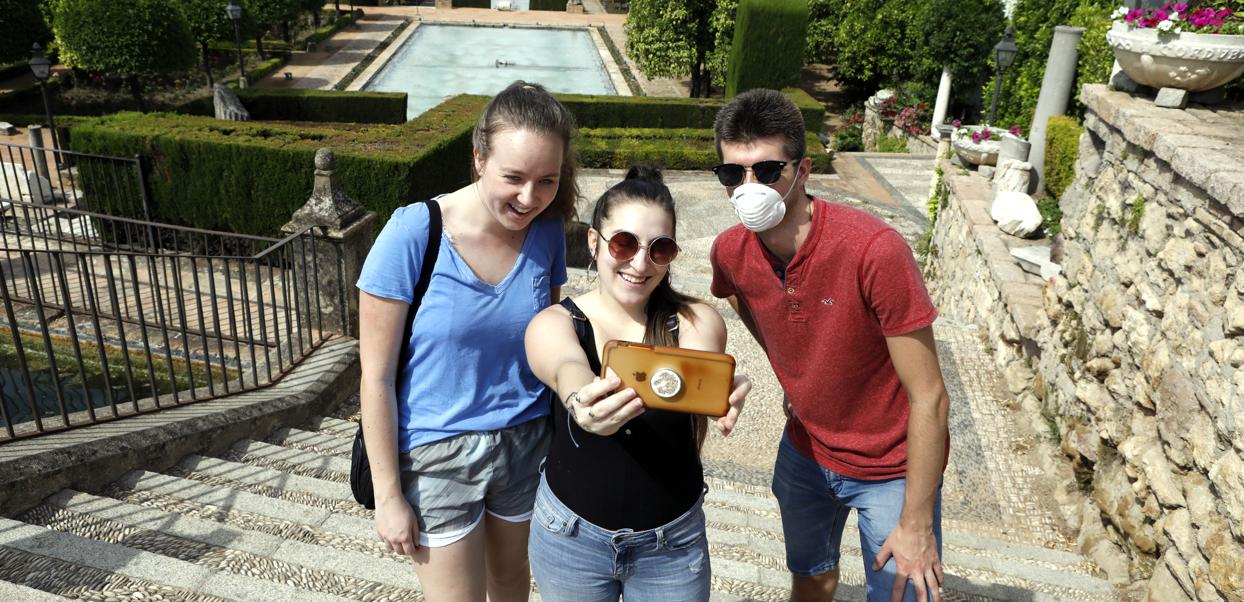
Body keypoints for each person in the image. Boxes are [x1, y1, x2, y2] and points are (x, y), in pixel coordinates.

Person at [707, 89, 951, 602]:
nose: (749, 187)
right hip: (805, 453)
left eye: (768, 170)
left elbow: (930, 396)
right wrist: (797, 375)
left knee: (904, 594)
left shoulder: (873, 251)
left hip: (891, 470)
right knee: (812, 580)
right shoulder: (730, 252)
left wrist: (917, 523)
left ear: (803, 170)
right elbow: (748, 304)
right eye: (733, 174)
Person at [356, 80, 578, 602]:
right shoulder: (414, 232)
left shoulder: (546, 233)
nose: (529, 198)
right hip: (436, 452)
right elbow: (376, 376)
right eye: (514, 177)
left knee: (511, 589)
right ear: (478, 159)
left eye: (546, 181)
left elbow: (553, 340)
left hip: (527, 442)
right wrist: (389, 496)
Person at [524, 166, 752, 602]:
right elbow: (565, 365)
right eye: (624, 243)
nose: (640, 262)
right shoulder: (556, 322)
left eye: (659, 248)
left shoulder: (693, 318)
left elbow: (699, 356)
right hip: (570, 537)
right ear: (594, 242)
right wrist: (581, 401)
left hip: (671, 544)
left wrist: (718, 385)